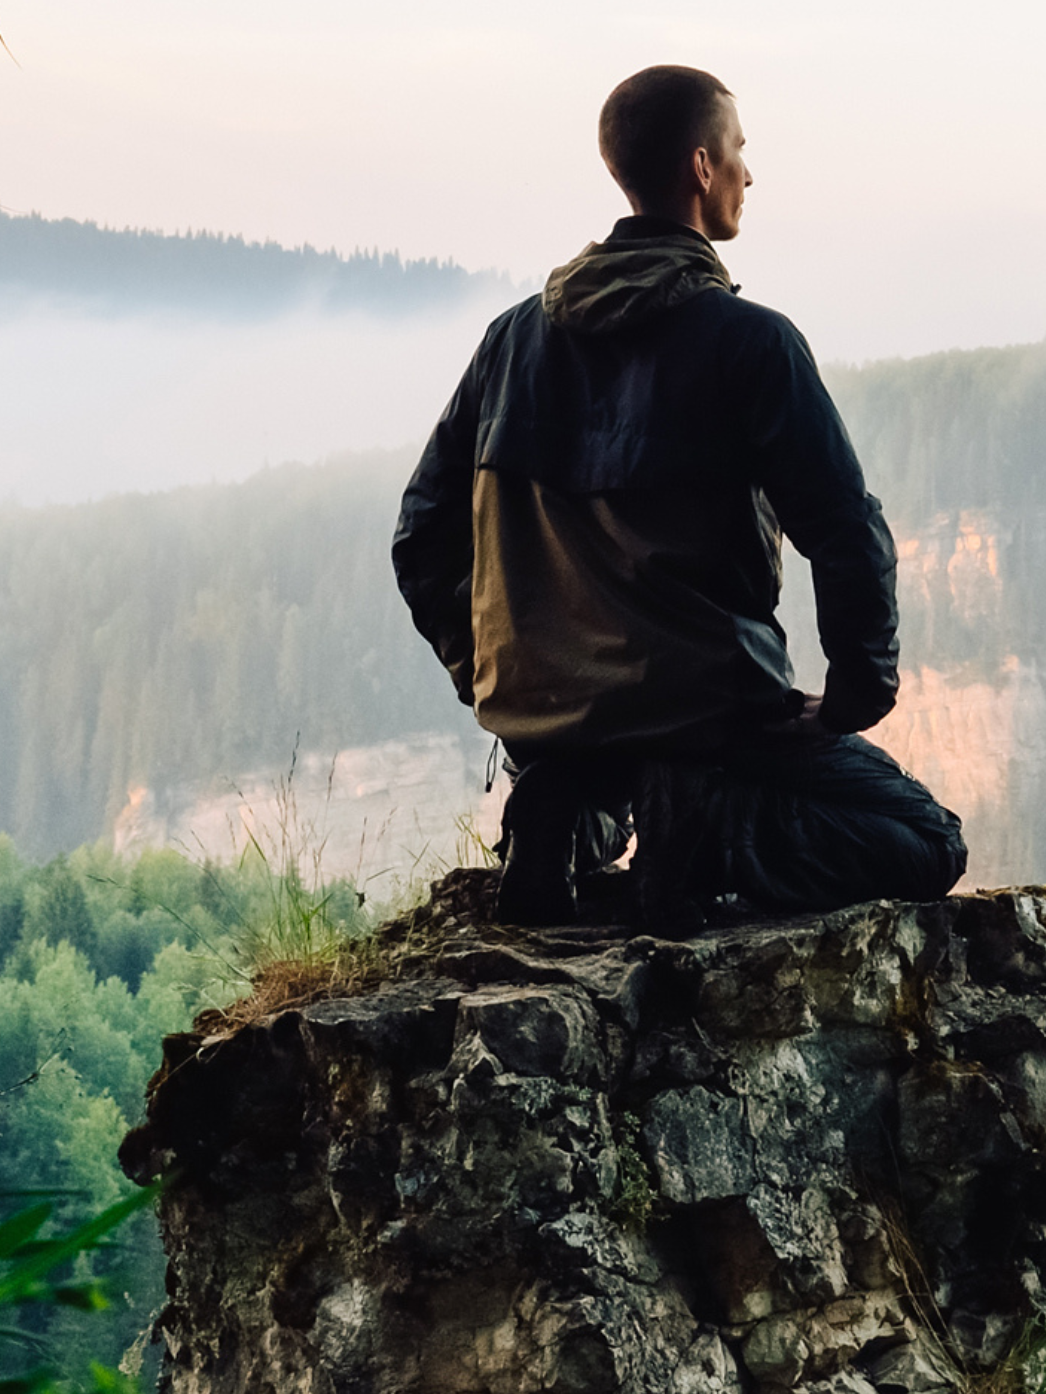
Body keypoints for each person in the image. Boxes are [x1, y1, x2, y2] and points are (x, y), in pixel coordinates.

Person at [393, 65, 967, 928]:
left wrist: (490, 675)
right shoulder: (749, 343)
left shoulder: (512, 340)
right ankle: (704, 832)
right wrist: (855, 695)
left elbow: (421, 533)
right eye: (739, 151)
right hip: (707, 711)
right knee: (925, 842)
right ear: (702, 168)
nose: (748, 173)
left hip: (551, 719)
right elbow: (847, 532)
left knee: (592, 768)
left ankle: (565, 813)